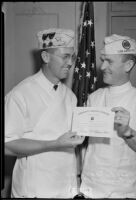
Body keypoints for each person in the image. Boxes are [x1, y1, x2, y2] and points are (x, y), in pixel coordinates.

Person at [5, 28, 85, 198]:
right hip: (34, 186)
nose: (70, 63)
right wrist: (54, 144)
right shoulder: (20, 94)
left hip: (65, 185)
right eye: (65, 56)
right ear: (46, 57)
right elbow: (7, 145)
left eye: (72, 57)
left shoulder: (70, 97)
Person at [79, 34, 136, 198]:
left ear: (128, 65)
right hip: (89, 189)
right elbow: (86, 145)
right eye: (103, 59)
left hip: (124, 192)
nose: (102, 67)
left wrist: (128, 132)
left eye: (110, 61)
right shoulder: (94, 98)